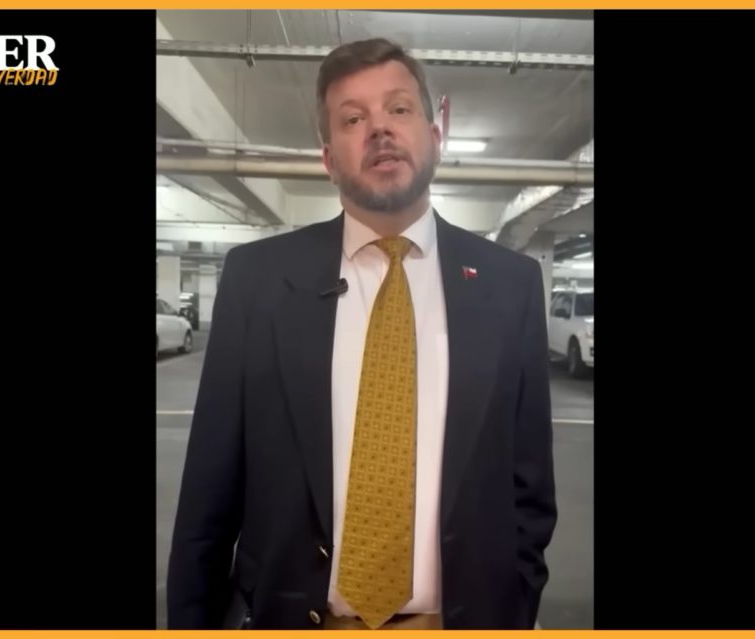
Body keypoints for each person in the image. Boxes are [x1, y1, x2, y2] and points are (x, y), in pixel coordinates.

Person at [166, 37, 557, 631]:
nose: (379, 129)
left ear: (436, 134)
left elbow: (530, 488)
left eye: (399, 108)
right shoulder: (258, 280)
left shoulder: (512, 285)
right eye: (353, 119)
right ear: (328, 158)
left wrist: (514, 607)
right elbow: (208, 492)